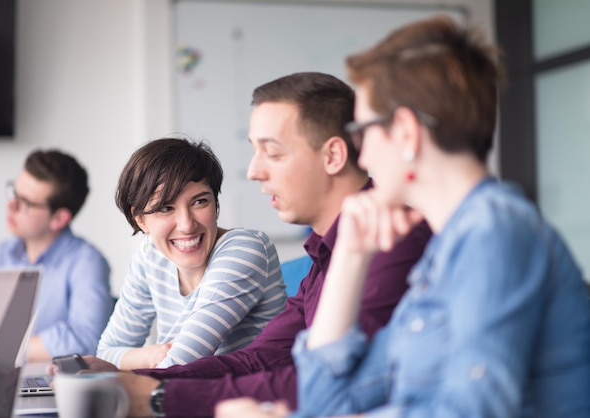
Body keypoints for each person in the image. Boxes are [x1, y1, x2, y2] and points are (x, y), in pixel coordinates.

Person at [216, 16, 590, 418]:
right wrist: (349, 258)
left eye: (363, 129)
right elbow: (327, 400)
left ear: (407, 133)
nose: (361, 151)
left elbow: (472, 410)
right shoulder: (441, 257)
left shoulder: (494, 231)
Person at [81, 72, 432, 417]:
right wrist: (144, 381)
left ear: (333, 156)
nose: (253, 171)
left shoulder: (391, 239)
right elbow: (263, 358)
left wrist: (161, 395)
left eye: (272, 153)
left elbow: (328, 386)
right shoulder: (328, 248)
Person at [95, 136, 287, 370]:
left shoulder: (245, 249)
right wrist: (151, 356)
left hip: (253, 401)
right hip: (187, 398)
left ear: (215, 205)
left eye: (199, 202)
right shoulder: (150, 259)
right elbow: (105, 354)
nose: (186, 225)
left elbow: (181, 367)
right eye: (166, 208)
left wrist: (141, 361)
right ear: (141, 220)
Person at [0, 149, 114, 362]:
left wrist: (7, 349)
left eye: (25, 202)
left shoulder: (87, 262)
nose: (11, 206)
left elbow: (85, 339)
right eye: (14, 193)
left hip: (51, 385)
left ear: (59, 218)